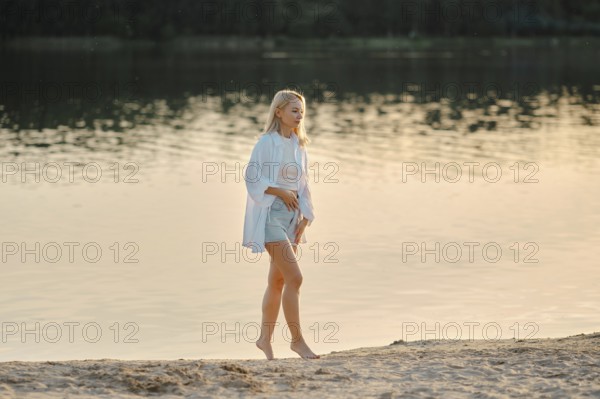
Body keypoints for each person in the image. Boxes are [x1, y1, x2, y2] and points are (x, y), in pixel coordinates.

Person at [242, 89, 319, 360]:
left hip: (292, 216)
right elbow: (251, 177)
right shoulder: (266, 142)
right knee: (295, 278)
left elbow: (303, 184)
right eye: (293, 110)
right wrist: (278, 192)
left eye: (301, 111)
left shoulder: (299, 145)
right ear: (279, 112)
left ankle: (264, 339)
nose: (299, 115)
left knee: (276, 280)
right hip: (270, 216)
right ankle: (297, 341)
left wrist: (306, 216)